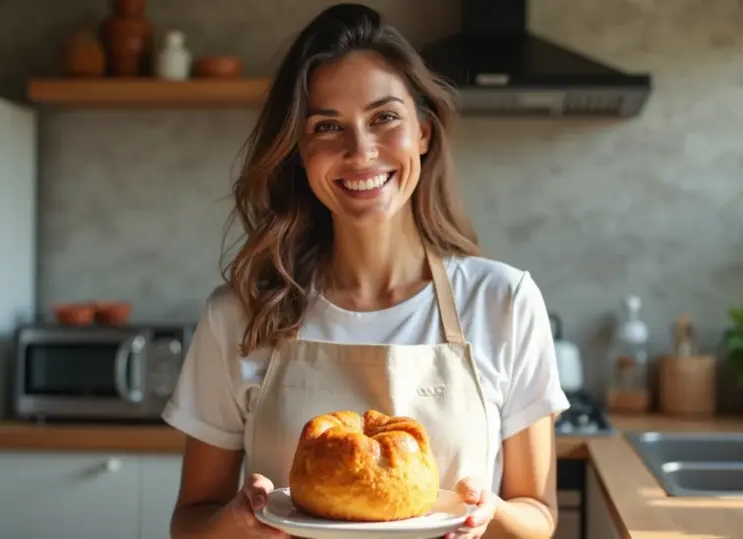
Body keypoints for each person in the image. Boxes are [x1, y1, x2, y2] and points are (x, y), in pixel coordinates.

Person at [163, 3, 570, 538]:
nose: (361, 151)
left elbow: (539, 517)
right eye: (327, 126)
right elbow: (190, 522)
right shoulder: (240, 314)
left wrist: (489, 513)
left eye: (384, 118)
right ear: (299, 152)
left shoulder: (504, 301)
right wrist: (236, 526)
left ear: (423, 131)